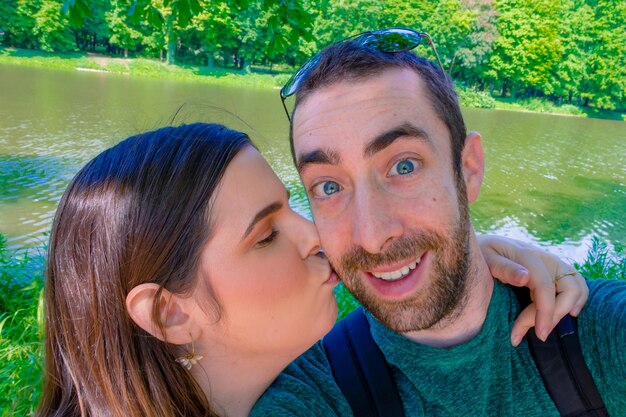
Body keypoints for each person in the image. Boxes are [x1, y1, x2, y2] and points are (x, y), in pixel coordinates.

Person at [37, 122, 587, 417]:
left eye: (297, 205)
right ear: (170, 313)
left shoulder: (309, 384)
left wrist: (457, 257)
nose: (315, 235)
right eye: (267, 235)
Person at [251, 29, 626, 416]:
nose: (373, 236)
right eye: (329, 186)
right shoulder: (313, 395)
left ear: (468, 168)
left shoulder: (602, 338)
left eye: (404, 166)